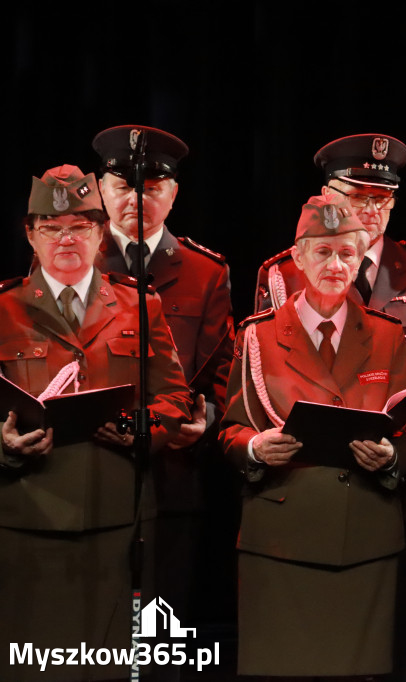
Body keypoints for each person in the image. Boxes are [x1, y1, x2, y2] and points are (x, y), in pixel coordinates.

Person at [218, 194, 406, 678]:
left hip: (364, 534)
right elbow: (230, 428)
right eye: (323, 252)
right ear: (298, 258)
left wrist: (393, 455)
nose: (336, 264)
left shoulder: (387, 335)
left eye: (348, 253)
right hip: (283, 536)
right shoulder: (259, 336)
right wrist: (254, 446)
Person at [0, 164, 191, 682]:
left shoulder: (139, 306)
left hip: (119, 519)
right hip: (30, 521)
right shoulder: (3, 309)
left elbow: (176, 397)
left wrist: (140, 426)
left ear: (100, 233)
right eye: (51, 227)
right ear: (30, 235)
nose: (66, 239)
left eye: (80, 227)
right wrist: (4, 443)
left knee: (116, 670)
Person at [91, 124, 237, 627]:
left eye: (152, 187)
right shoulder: (71, 261)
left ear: (172, 194)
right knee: (93, 629)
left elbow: (222, 370)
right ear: (101, 189)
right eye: (123, 185)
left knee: (162, 630)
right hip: (92, 467)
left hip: (174, 471)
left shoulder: (205, 272)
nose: (136, 198)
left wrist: (209, 420)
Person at [254, 133, 406, 338]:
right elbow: (266, 359)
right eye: (358, 197)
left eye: (382, 198)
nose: (372, 210)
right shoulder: (286, 274)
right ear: (326, 195)